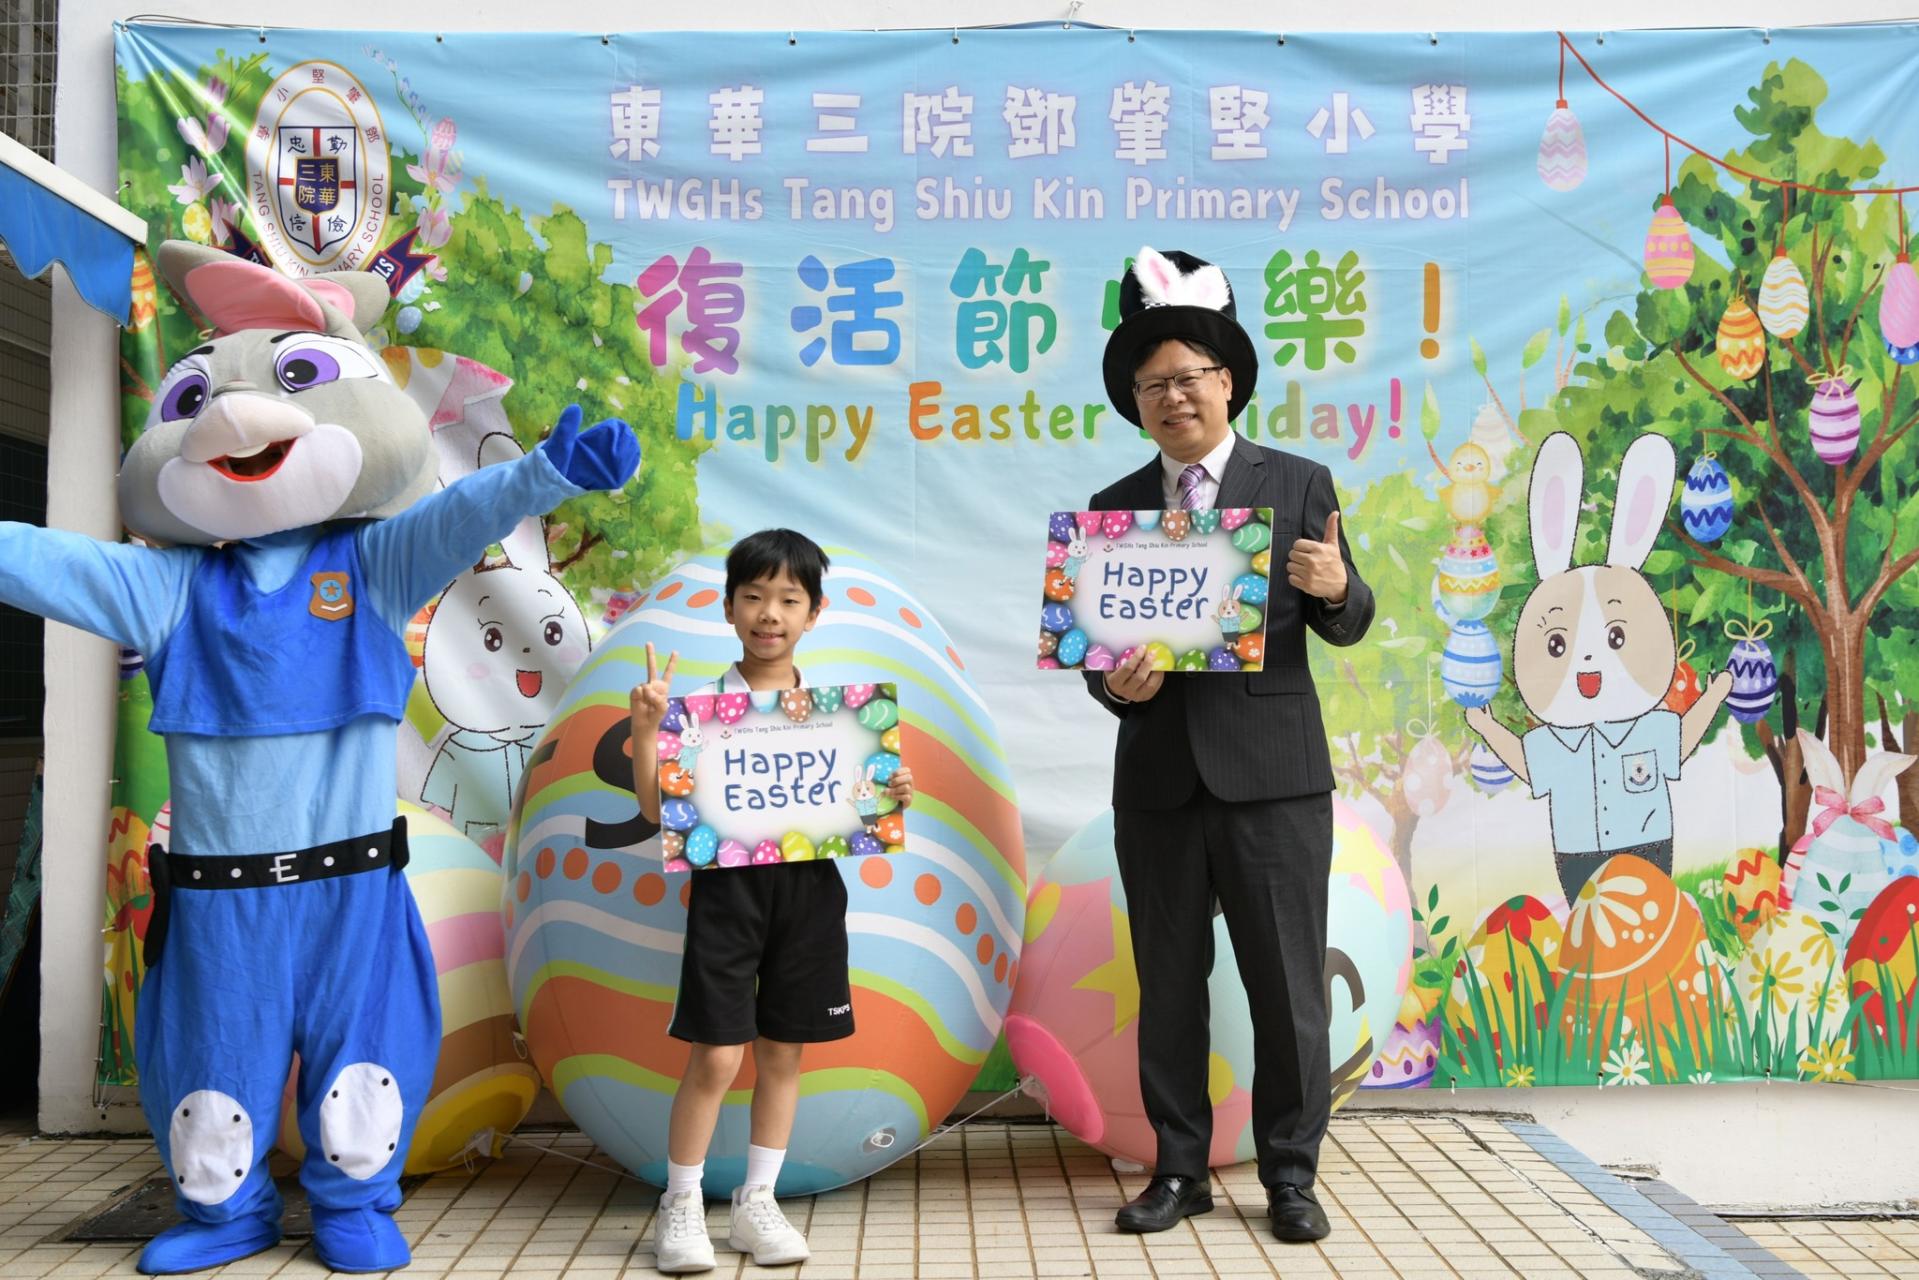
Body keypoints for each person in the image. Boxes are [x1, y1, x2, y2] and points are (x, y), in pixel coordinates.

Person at [1083, 248, 1374, 1243]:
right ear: (1135, 402)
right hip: (1158, 782)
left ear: (1227, 382)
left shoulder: (1296, 482)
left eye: (1189, 377)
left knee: (1286, 987)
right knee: (1165, 985)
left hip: (1273, 779)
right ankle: (1177, 1169)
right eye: (1152, 384)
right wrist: (1113, 685)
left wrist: (1337, 587)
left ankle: (1290, 1174)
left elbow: (1347, 619)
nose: (1173, 397)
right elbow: (1096, 655)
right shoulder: (1113, 508)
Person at [628, 529, 915, 1274]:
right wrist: (646, 728)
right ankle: (680, 1205)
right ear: (728, 607)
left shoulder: (840, 719)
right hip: (727, 897)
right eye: (753, 597)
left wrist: (889, 791)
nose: (769, 613)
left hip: (810, 894)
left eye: (788, 600)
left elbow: (858, 806)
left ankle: (758, 1203)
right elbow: (659, 812)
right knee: (718, 1057)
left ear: (814, 613)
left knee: (783, 1052)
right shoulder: (700, 711)